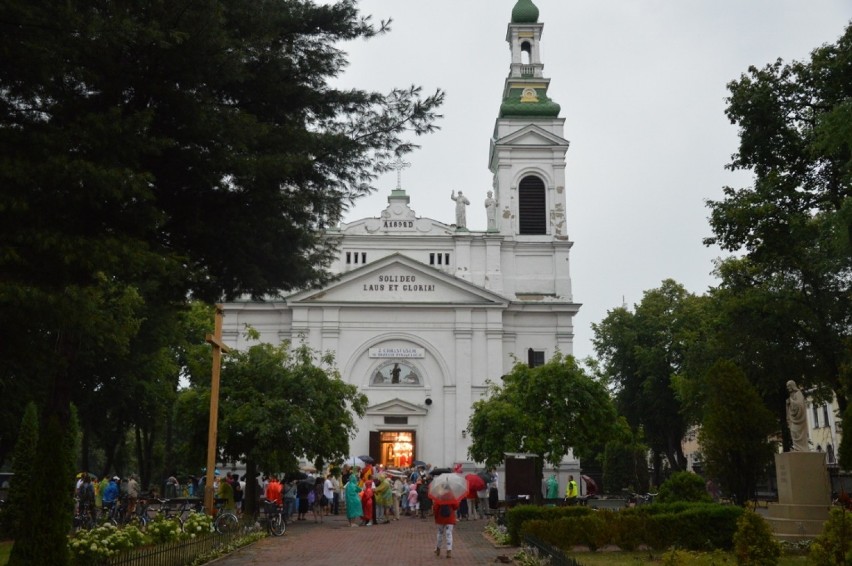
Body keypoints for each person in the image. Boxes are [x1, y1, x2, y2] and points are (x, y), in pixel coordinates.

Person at [786, 380, 810, 451]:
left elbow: (800, 405)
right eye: (787, 386)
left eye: (788, 386)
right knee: (793, 431)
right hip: (794, 419)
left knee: (796, 431)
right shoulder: (791, 395)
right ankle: (797, 448)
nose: (787, 388)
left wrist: (791, 401)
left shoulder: (798, 393)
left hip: (799, 420)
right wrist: (788, 403)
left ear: (792, 386)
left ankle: (801, 448)